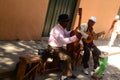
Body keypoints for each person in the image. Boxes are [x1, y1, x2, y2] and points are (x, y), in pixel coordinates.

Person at [48, 14, 81, 80]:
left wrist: (73, 31)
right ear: (61, 22)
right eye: (66, 21)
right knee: (67, 58)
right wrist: (75, 37)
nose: (68, 23)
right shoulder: (56, 30)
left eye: (68, 21)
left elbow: (67, 34)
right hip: (53, 48)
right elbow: (63, 41)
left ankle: (69, 73)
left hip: (58, 48)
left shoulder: (62, 28)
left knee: (71, 55)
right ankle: (63, 77)